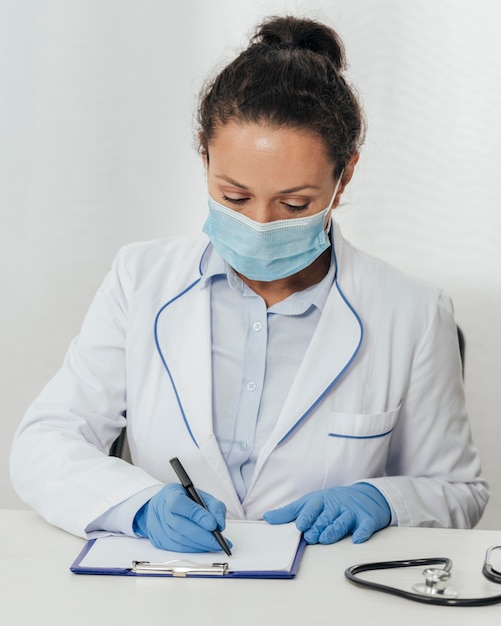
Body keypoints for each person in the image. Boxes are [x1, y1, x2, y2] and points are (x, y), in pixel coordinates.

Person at [10, 15, 488, 553]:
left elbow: (456, 491)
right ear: (204, 154)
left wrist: (381, 501)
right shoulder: (139, 279)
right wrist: (140, 507)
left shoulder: (413, 313)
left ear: (345, 176)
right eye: (235, 197)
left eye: (294, 204)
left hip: (324, 593)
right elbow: (46, 442)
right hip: (169, 585)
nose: (260, 223)